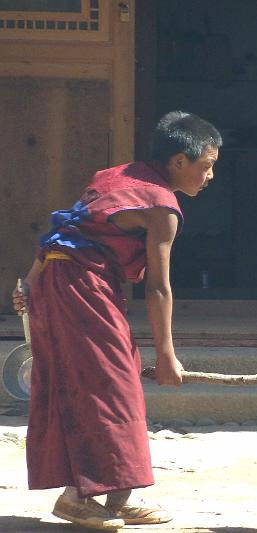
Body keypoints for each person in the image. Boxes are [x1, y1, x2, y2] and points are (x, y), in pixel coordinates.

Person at [11, 111, 222, 530]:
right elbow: (158, 288)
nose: (211, 176)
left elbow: (66, 229)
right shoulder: (162, 205)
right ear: (179, 161)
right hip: (80, 288)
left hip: (61, 282)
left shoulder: (115, 176)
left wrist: (33, 281)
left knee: (103, 382)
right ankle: (77, 498)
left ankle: (118, 497)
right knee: (108, 388)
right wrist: (166, 355)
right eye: (207, 165)